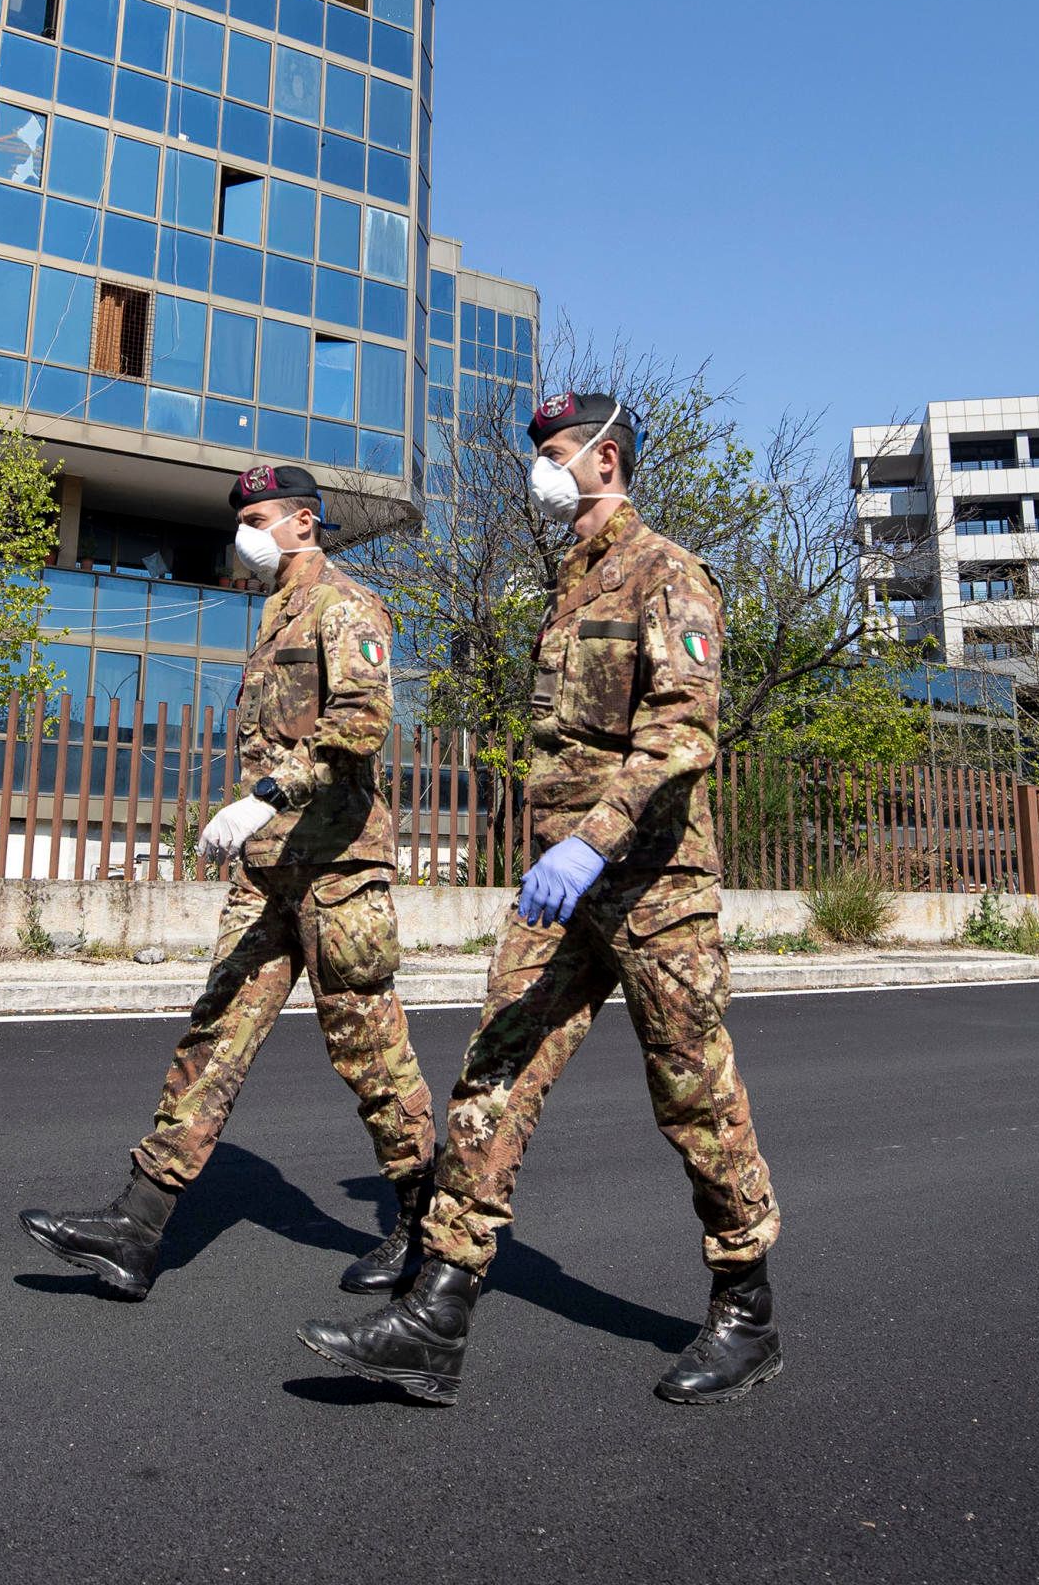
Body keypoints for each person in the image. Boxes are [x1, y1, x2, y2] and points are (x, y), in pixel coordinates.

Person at [299, 392, 783, 1405]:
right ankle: (436, 1311)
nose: (544, 470)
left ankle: (745, 1308)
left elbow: (687, 732)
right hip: (560, 890)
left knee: (694, 1093)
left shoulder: (670, 573)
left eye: (558, 453)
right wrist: (549, 851)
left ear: (606, 458)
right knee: (494, 1074)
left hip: (652, 883)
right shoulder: (567, 585)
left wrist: (595, 841)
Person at [19, 465, 435, 1301]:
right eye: (242, 517)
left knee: (368, 1054)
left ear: (303, 526)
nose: (244, 532)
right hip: (268, 873)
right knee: (215, 1036)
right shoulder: (275, 611)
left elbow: (362, 722)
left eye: (259, 517)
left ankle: (429, 1231)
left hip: (335, 872)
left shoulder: (345, 604)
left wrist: (270, 795)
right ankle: (136, 1230)